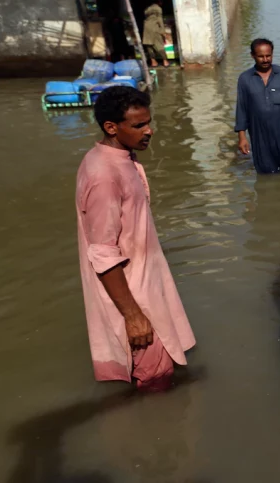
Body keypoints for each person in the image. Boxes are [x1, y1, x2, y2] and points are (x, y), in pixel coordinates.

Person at [75, 86, 195, 391]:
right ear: (112, 128)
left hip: (146, 288)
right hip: (135, 300)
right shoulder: (103, 175)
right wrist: (133, 316)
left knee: (161, 382)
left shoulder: (119, 158)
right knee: (157, 388)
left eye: (148, 122)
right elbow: (101, 253)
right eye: (139, 125)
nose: (149, 131)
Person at [234, 38, 280, 174]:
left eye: (268, 55)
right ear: (253, 56)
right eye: (261, 56)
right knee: (266, 174)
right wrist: (242, 138)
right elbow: (241, 109)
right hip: (260, 138)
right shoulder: (245, 79)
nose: (265, 59)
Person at [141, 0, 169, 67]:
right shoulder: (158, 9)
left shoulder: (147, 9)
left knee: (149, 45)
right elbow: (160, 20)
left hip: (146, 28)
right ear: (159, 2)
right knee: (159, 44)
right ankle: (165, 61)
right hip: (154, 28)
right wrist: (163, 32)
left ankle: (153, 62)